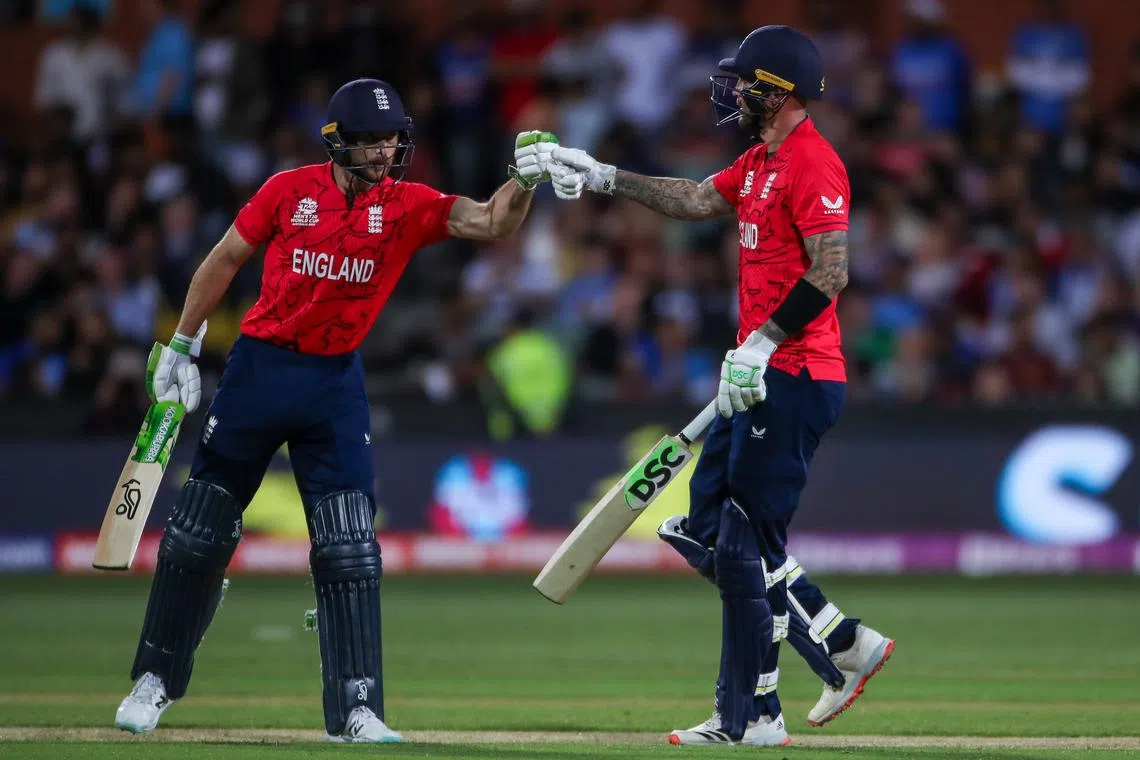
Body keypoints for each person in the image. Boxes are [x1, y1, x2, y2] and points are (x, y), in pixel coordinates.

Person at [112, 78, 581, 743]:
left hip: (334, 381)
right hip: (259, 369)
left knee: (350, 549)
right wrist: (182, 346)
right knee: (198, 534)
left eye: (393, 138)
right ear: (337, 142)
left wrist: (523, 179)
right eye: (372, 141)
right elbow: (224, 259)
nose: (387, 151)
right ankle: (154, 681)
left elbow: (489, 219)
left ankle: (357, 709)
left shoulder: (405, 205)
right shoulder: (286, 191)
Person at [548, 26, 893, 745]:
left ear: (779, 90)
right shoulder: (759, 161)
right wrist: (605, 175)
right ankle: (840, 641)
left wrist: (764, 342)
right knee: (705, 524)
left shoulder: (813, 164)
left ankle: (756, 714)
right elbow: (694, 199)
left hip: (795, 373)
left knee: (743, 542)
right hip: (754, 375)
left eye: (745, 81)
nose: (733, 91)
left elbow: (831, 273)